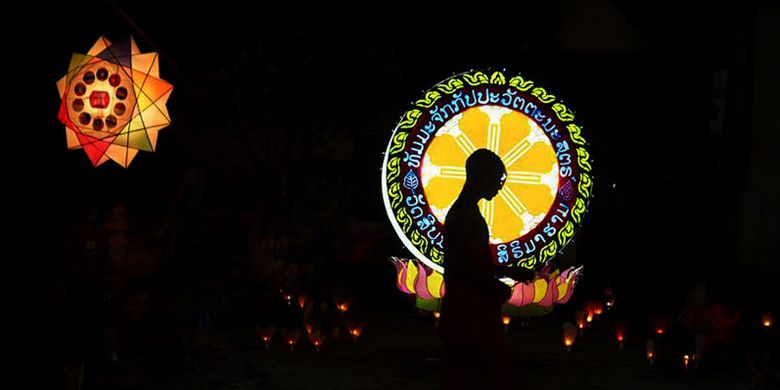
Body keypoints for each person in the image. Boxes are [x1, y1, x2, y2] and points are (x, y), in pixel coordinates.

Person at [439, 149, 533, 389]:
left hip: (469, 313)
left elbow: (471, 261)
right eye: (498, 179)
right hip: (469, 316)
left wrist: (509, 272)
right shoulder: (465, 215)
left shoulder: (464, 212)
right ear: (481, 175)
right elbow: (464, 266)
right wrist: (494, 286)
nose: (500, 187)